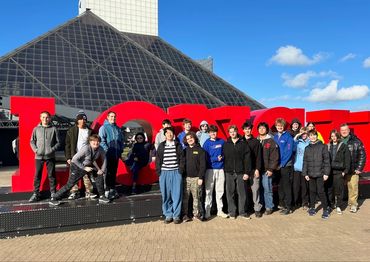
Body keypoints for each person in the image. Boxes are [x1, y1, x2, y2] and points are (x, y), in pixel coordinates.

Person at [50, 134, 110, 205]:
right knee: (70, 184)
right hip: (77, 166)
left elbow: (104, 159)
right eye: (94, 141)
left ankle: (102, 196)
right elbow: (74, 159)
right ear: (90, 142)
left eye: (97, 141)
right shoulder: (86, 148)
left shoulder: (100, 148)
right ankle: (54, 198)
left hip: (88, 166)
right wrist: (84, 168)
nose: (96, 143)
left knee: (99, 175)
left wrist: (101, 170)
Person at [155, 127, 185, 224]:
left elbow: (182, 159)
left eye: (171, 132)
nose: (169, 134)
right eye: (167, 133)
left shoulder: (178, 145)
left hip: (176, 172)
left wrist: (180, 171)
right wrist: (159, 172)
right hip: (164, 173)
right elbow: (158, 160)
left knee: (177, 195)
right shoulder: (161, 146)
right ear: (165, 135)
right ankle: (168, 215)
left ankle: (176, 215)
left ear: (173, 134)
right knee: (166, 195)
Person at [29, 111, 60, 202]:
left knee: (52, 175)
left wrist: (51, 150)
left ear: (50, 118)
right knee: (37, 175)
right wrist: (36, 150)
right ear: (40, 118)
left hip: (50, 157)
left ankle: (53, 193)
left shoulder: (54, 129)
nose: (45, 119)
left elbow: (58, 142)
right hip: (38, 157)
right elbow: (32, 141)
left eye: (47, 117)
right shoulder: (36, 129)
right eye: (43, 117)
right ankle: (36, 193)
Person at [65, 111, 96, 200]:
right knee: (73, 175)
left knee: (87, 174)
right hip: (74, 156)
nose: (83, 121)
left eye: (84, 119)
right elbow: (67, 145)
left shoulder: (90, 131)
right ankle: (74, 192)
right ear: (77, 120)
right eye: (81, 119)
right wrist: (68, 157)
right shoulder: (71, 130)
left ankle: (89, 192)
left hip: (86, 157)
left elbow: (93, 144)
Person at [223, 125, 252, 219]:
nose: (232, 133)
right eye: (230, 132)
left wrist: (247, 172)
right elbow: (223, 157)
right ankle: (232, 212)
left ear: (237, 132)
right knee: (230, 193)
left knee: (242, 193)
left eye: (234, 131)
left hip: (241, 172)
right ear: (229, 133)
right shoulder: (226, 144)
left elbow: (248, 159)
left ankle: (242, 212)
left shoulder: (243, 143)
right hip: (229, 172)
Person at [302, 130, 331, 219]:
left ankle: (326, 209)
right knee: (312, 192)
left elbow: (327, 161)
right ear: (308, 137)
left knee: (321, 192)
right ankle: (312, 207)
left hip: (320, 173)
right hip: (310, 174)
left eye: (314, 135)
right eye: (311, 135)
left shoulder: (323, 146)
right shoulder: (307, 148)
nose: (312, 137)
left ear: (317, 136)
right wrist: (305, 173)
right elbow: (305, 161)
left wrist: (326, 173)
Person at [340, 123, 366, 213]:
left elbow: (362, 155)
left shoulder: (357, 141)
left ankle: (353, 205)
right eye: (342, 130)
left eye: (345, 130)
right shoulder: (337, 140)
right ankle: (338, 204)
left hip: (353, 169)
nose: (344, 132)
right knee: (338, 187)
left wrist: (359, 168)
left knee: (353, 187)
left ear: (349, 131)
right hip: (340, 170)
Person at [203, 125, 228, 219]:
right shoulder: (206, 143)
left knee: (220, 191)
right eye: (211, 132)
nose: (213, 133)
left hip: (221, 169)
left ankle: (220, 211)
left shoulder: (222, 142)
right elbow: (204, 158)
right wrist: (215, 159)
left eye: (214, 132)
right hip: (210, 170)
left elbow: (226, 154)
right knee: (208, 191)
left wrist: (223, 158)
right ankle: (207, 211)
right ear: (209, 133)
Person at [99, 111, 124, 200]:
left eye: (114, 116)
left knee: (113, 172)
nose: (113, 118)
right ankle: (107, 191)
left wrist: (121, 149)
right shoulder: (104, 128)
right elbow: (101, 140)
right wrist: (107, 150)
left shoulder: (117, 128)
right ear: (107, 117)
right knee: (107, 173)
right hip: (108, 154)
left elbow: (121, 140)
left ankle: (112, 189)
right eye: (111, 116)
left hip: (116, 154)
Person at [182, 132, 207, 222]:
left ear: (194, 138)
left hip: (197, 178)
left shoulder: (201, 150)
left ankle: (196, 214)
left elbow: (203, 165)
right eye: (187, 139)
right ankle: (185, 215)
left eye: (191, 138)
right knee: (186, 197)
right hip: (186, 178)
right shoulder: (184, 151)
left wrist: (201, 177)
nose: (189, 140)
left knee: (196, 197)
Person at [257, 122, 279, 215]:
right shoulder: (256, 140)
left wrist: (271, 169)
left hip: (267, 170)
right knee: (259, 189)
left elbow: (275, 157)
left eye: (263, 128)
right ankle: (261, 206)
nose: (261, 130)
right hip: (258, 170)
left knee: (267, 189)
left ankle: (269, 207)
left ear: (266, 130)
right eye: (260, 128)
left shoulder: (271, 141)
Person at [241, 121, 263, 218]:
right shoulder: (240, 141)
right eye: (246, 129)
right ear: (243, 130)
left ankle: (257, 209)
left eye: (249, 129)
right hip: (243, 171)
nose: (247, 130)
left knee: (255, 190)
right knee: (244, 191)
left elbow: (259, 157)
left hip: (254, 170)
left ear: (251, 130)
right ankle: (246, 209)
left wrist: (258, 169)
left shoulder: (256, 142)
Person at [327, 129, 351, 214]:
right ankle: (331, 205)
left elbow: (347, 159)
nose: (334, 138)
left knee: (339, 190)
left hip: (339, 172)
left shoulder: (343, 146)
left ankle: (339, 206)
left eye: (335, 136)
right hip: (329, 172)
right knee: (330, 190)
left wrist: (345, 170)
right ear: (330, 137)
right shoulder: (327, 146)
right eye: (332, 136)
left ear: (338, 136)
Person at [274, 118, 294, 215]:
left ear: (284, 126)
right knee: (280, 186)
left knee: (286, 186)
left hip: (285, 165)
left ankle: (288, 207)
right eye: (278, 125)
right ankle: (283, 205)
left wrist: (282, 163)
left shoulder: (288, 137)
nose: (279, 127)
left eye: (281, 125)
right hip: (277, 166)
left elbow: (289, 152)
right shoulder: (275, 137)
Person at [292, 127, 310, 210]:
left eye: (305, 133)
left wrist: (308, 135)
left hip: (305, 169)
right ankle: (296, 202)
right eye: (302, 133)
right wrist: (298, 135)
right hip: (296, 168)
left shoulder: (309, 142)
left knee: (304, 187)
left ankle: (305, 203)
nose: (303, 135)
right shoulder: (297, 142)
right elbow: (292, 145)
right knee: (296, 187)